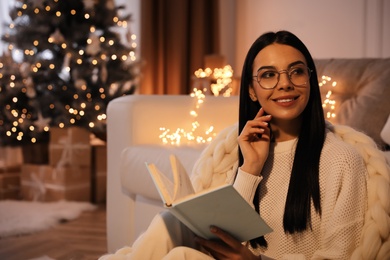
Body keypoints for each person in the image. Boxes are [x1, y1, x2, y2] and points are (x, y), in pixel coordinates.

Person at [102, 30, 368, 259]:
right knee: (169, 224)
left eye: (296, 71)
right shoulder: (243, 149)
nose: (285, 84)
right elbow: (231, 234)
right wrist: (251, 168)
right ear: (252, 90)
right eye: (268, 75)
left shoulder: (341, 159)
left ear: (309, 79)